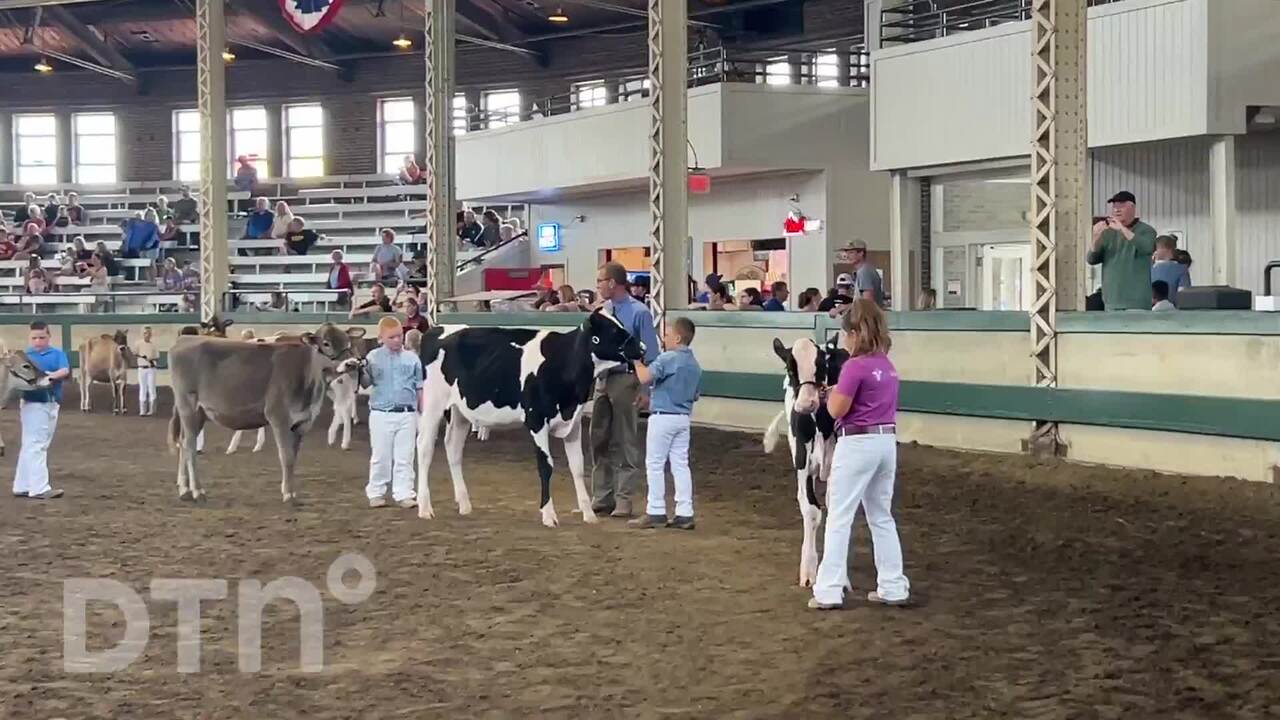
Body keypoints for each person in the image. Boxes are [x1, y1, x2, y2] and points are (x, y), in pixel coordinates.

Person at [810, 299, 909, 610]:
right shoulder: (886, 365)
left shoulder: (855, 366)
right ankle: (893, 586)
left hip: (857, 443)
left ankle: (827, 590)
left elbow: (838, 409)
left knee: (839, 516)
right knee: (881, 516)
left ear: (854, 332)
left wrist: (830, 396)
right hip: (885, 441)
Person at [591, 261, 661, 518]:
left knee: (625, 439)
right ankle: (602, 496)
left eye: (600, 280)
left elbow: (650, 353)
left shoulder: (639, 313)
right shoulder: (601, 311)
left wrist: (646, 390)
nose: (597, 285)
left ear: (612, 283)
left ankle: (623, 498)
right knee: (598, 439)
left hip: (626, 378)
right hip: (604, 378)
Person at [629, 317, 703, 530]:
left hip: (662, 417)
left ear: (678, 337)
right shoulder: (694, 364)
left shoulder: (668, 358)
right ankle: (684, 512)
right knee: (680, 465)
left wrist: (636, 360)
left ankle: (656, 510)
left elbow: (644, 377)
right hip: (683, 418)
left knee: (654, 464)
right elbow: (695, 395)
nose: (664, 338)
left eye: (667, 334)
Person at [359, 316, 423, 509]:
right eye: (392, 337)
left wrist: (423, 411)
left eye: (399, 336)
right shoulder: (373, 357)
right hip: (381, 412)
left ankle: (404, 493)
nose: (397, 340)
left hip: (407, 412)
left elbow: (419, 387)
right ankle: (376, 491)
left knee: (405, 456)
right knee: (380, 456)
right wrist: (360, 369)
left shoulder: (412, 358)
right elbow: (365, 383)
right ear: (381, 338)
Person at [11, 321, 71, 500]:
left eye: (42, 337)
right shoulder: (25, 356)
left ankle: (22, 485)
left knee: (31, 444)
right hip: (34, 403)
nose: (37, 341)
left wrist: (50, 376)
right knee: (36, 444)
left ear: (49, 336)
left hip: (51, 402)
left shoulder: (57, 353)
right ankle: (39, 487)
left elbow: (65, 370)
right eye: (34, 338)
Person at [1087, 191, 1158, 311]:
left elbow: (1147, 248)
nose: (1117, 210)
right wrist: (1095, 237)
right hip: (1111, 301)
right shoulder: (1107, 232)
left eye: (1121, 206)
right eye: (1114, 207)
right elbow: (1091, 260)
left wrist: (1122, 229)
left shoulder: (1147, 230)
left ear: (1132, 207)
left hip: (1138, 302)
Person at [1150, 235, 1190, 306]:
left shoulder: (1149, 269)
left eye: (1156, 249)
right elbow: (1185, 294)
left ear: (1164, 249)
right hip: (1173, 310)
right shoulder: (1181, 269)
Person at [846, 240, 886, 307]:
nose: (847, 256)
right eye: (847, 253)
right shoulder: (866, 270)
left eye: (851, 253)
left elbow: (867, 302)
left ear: (861, 253)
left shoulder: (864, 272)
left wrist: (844, 307)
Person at [134, 326, 159, 416]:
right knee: (142, 388)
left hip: (151, 368)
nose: (147, 335)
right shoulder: (138, 344)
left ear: (151, 334)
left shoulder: (153, 345)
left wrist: (150, 359)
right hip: (141, 368)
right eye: (145, 333)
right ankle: (143, 410)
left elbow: (157, 357)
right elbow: (135, 353)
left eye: (148, 333)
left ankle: (152, 409)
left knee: (151, 388)